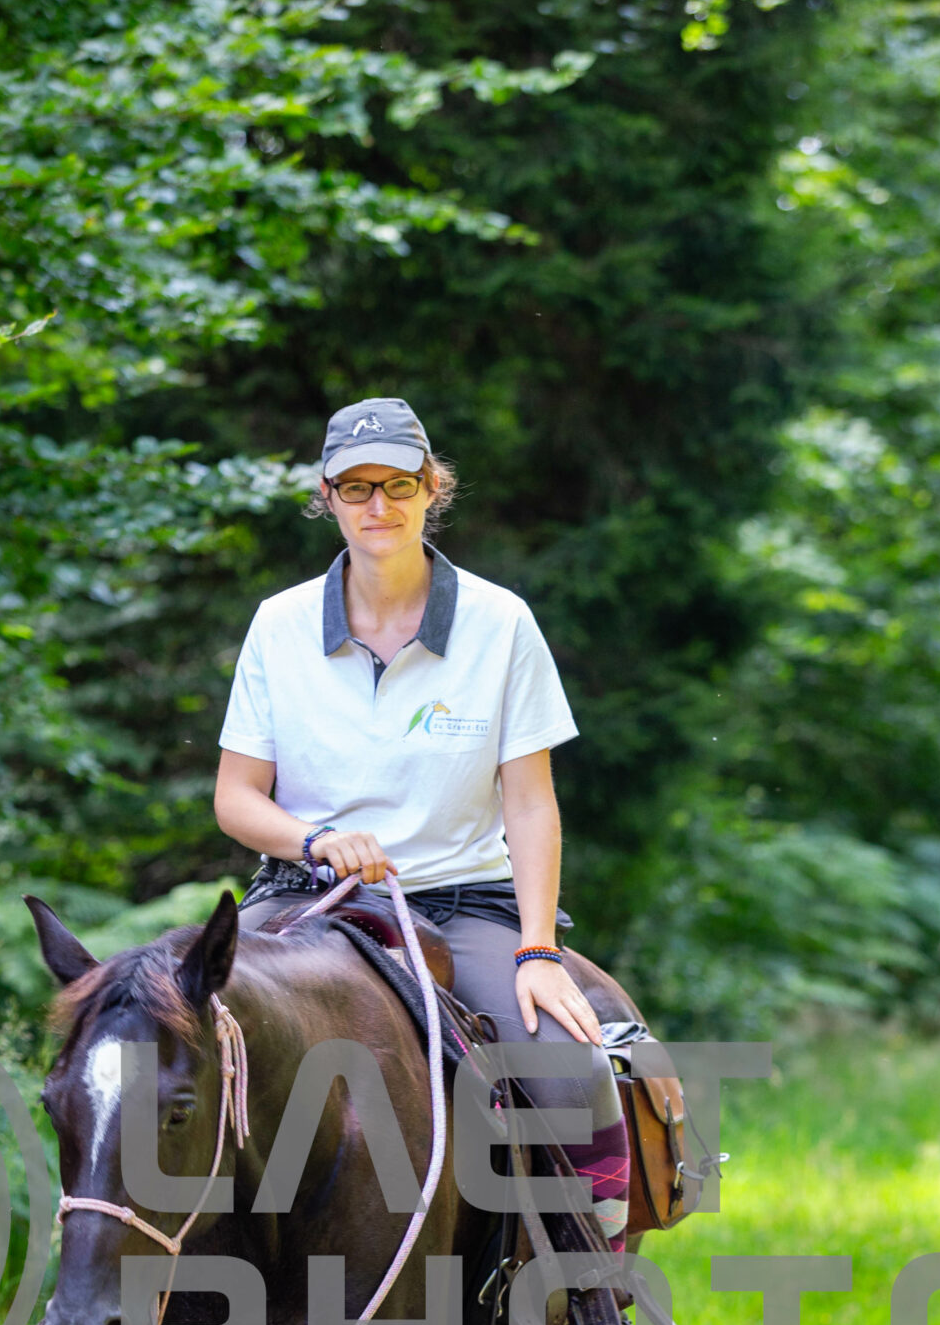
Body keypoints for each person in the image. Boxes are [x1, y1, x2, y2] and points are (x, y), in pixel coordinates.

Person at [214, 395, 630, 1247]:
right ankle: (138, 1298)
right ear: (326, 496)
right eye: (356, 487)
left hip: (459, 904)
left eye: (398, 484)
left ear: (431, 488)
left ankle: (595, 1294)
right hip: (304, 899)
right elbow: (236, 798)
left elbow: (530, 802)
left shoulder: (499, 621)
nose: (379, 505)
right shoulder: (278, 624)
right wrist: (316, 841)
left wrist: (538, 951)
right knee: (165, 1044)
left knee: (571, 1076)